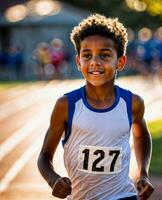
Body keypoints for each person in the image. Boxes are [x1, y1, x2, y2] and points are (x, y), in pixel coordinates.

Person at [37, 14, 154, 200]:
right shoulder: (66, 105)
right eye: (87, 55)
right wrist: (53, 180)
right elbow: (44, 156)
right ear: (78, 62)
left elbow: (141, 136)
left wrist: (143, 173)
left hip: (123, 196)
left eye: (105, 55)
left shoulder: (133, 103)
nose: (95, 62)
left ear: (120, 62)